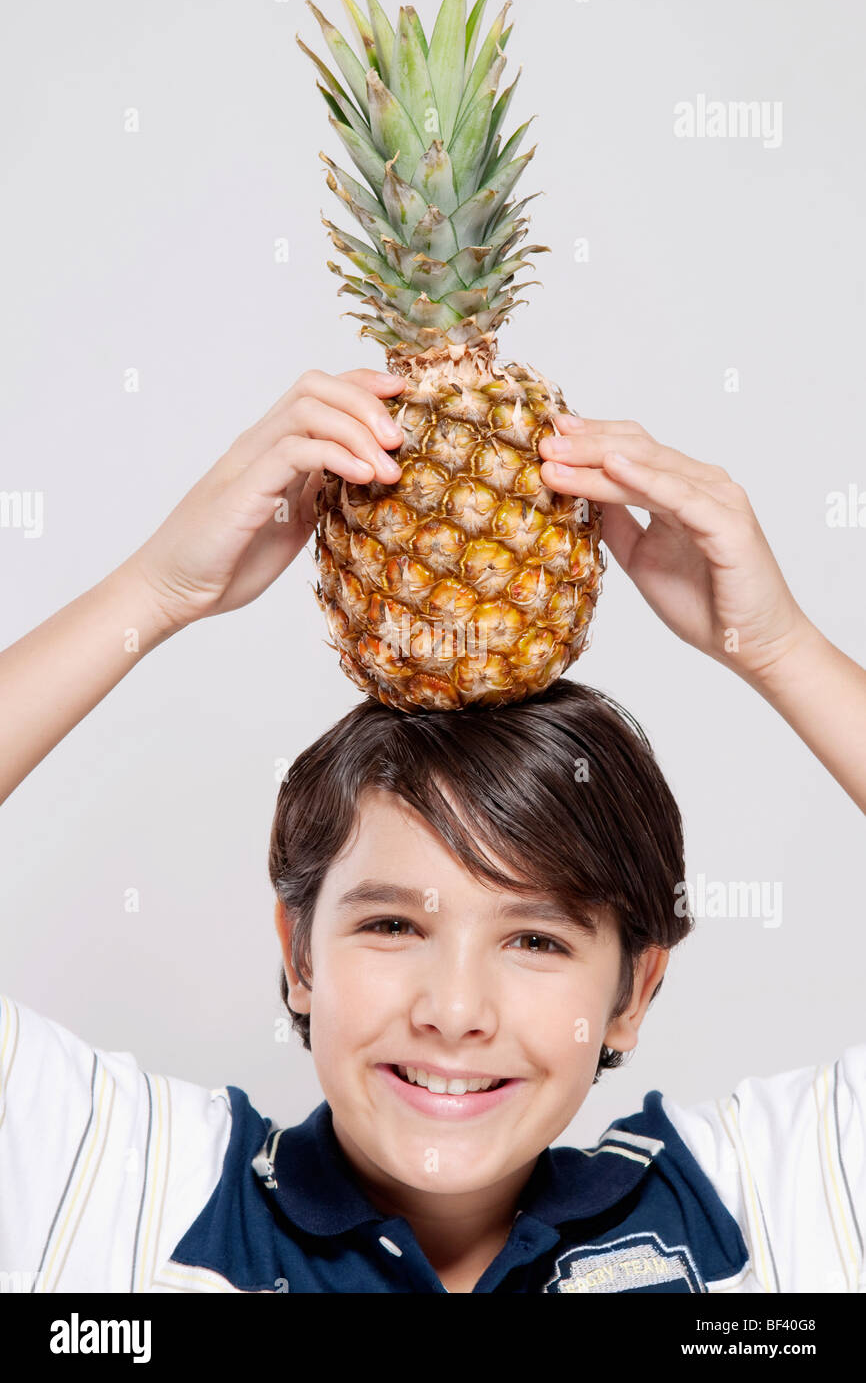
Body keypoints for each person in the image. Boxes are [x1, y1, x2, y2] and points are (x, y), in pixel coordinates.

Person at [0, 368, 863, 1294]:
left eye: (535, 939)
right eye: (392, 926)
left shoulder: (751, 1214)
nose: (454, 1012)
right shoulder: (134, 1191)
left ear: (632, 993)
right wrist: (156, 591)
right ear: (299, 956)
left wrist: (781, 650)